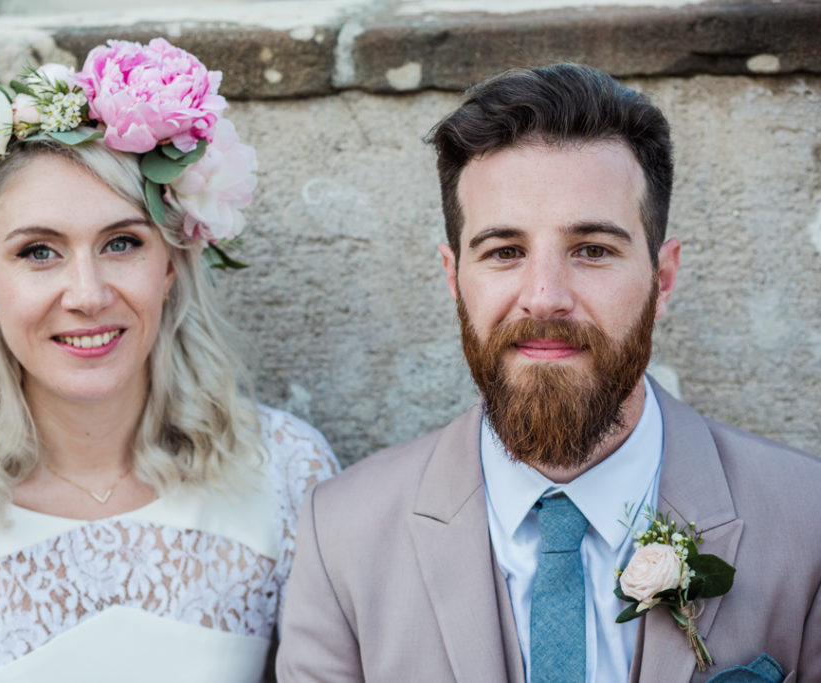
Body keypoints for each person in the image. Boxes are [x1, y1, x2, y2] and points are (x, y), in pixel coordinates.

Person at [277, 64, 821, 682]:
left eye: (592, 250)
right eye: (505, 252)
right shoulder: (340, 535)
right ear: (454, 279)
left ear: (662, 280)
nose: (544, 297)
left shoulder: (810, 523)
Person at [0, 38, 338, 682]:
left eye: (122, 242)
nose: (89, 295)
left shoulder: (288, 471)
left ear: (171, 267)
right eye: (38, 252)